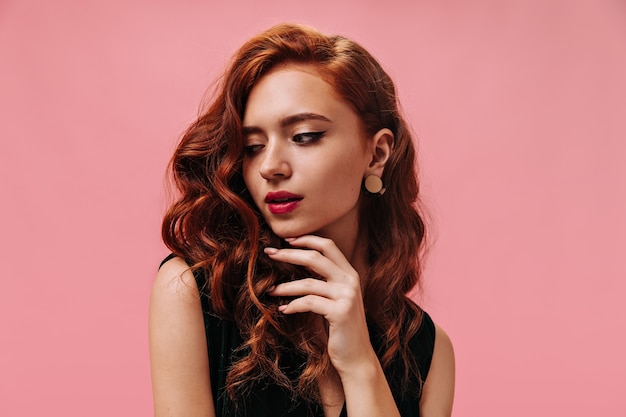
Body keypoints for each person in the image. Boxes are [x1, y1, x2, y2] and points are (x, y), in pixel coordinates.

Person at [150, 23, 455, 417]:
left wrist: (361, 366)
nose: (270, 167)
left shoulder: (427, 351)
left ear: (377, 153)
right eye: (253, 147)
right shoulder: (197, 293)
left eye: (305, 136)